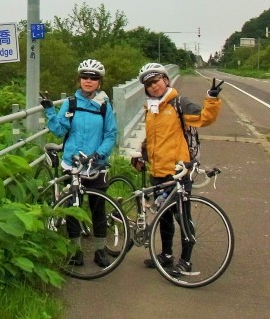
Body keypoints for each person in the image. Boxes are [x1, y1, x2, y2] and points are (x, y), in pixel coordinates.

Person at [136, 62, 225, 275]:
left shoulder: (179, 103)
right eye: (149, 84)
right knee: (163, 216)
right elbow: (153, 138)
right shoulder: (151, 108)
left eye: (156, 81)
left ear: (165, 80)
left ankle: (186, 261)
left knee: (182, 216)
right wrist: (142, 156)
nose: (154, 86)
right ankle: (166, 255)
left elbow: (204, 118)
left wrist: (211, 98)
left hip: (179, 171)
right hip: (157, 171)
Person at [42, 58, 118, 268]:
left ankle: (100, 250)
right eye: (84, 77)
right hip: (72, 164)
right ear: (79, 80)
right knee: (73, 208)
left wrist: (98, 154)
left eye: (93, 78)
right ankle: (76, 251)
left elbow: (111, 134)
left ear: (99, 83)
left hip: (96, 164)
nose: (88, 81)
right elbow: (59, 131)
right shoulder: (70, 103)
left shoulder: (104, 106)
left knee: (98, 208)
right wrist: (49, 110)